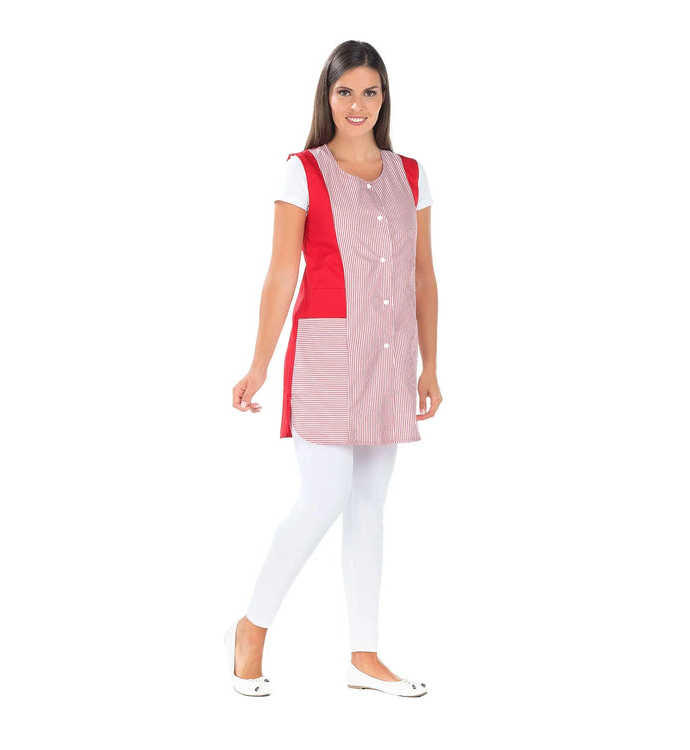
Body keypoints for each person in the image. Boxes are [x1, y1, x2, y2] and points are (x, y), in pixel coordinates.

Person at [225, 40, 441, 698]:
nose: (358, 104)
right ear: (328, 96)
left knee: (370, 508)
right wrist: (259, 365)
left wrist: (431, 365)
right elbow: (280, 274)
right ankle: (252, 627)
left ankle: (364, 656)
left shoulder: (410, 174)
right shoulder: (303, 171)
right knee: (323, 496)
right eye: (346, 91)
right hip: (325, 354)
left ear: (384, 98)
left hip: (390, 356)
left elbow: (423, 276)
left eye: (370, 91)